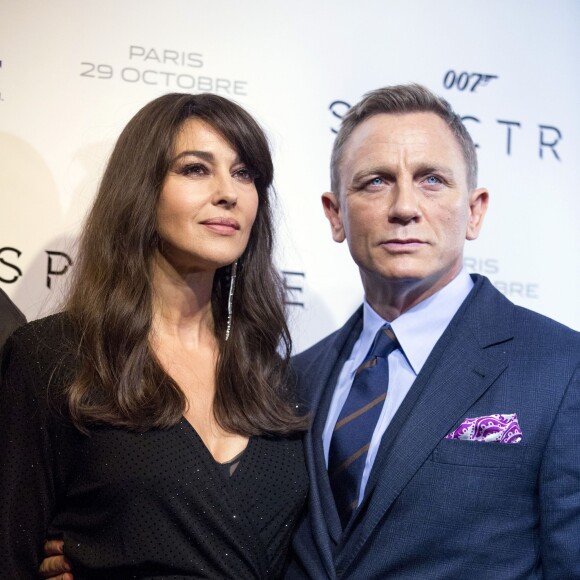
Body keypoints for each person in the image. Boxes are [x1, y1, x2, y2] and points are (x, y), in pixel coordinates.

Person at [0, 92, 308, 579]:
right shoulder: (53, 358)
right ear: (141, 189)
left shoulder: (277, 379)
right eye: (195, 169)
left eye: (245, 172)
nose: (228, 191)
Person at [285, 84, 580, 578]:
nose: (404, 207)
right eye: (375, 182)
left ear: (476, 210)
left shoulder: (561, 370)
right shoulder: (294, 379)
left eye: (432, 180)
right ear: (336, 214)